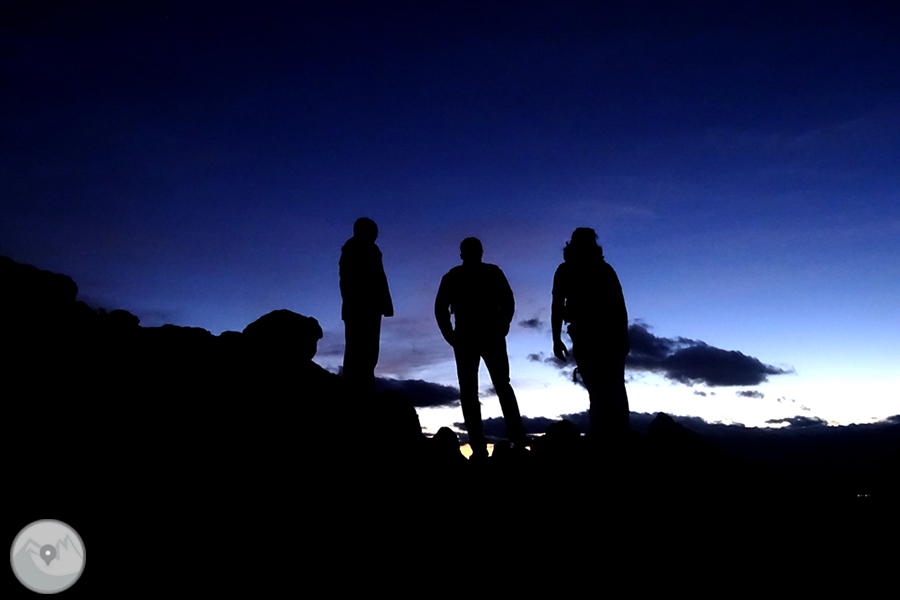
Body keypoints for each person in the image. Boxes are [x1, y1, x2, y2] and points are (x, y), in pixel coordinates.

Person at [435, 237, 526, 459]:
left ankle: (504, 441)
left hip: (481, 336)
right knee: (483, 389)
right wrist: (450, 335)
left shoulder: (472, 274)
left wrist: (503, 324)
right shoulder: (464, 275)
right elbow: (440, 308)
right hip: (473, 337)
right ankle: (490, 443)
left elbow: (508, 301)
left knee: (490, 388)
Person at [551, 228, 630, 437]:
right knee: (606, 386)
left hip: (602, 335)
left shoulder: (576, 270)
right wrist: (556, 338)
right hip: (595, 335)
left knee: (605, 387)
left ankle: (610, 433)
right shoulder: (599, 269)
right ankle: (610, 433)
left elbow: (618, 306)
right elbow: (557, 306)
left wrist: (556, 338)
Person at [340, 217, 393, 398]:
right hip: (361, 308)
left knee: (367, 353)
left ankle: (363, 389)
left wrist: (384, 305)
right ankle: (357, 391)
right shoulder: (355, 248)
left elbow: (379, 279)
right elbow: (352, 281)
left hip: (368, 308)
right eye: (373, 232)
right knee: (358, 351)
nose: (375, 236)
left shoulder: (370, 249)